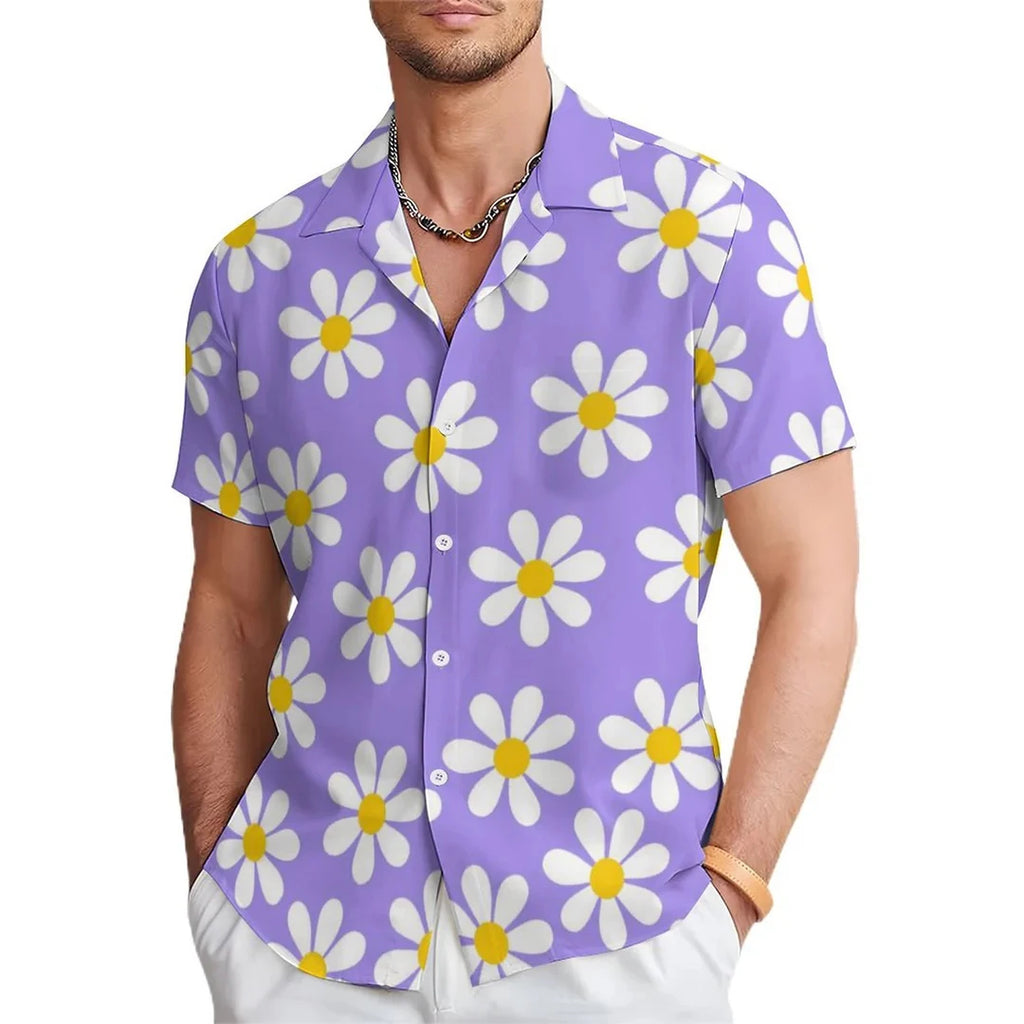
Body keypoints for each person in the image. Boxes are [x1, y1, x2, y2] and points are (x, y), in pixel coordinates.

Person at [171, 2, 859, 1020]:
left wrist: (730, 892)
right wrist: (217, 892)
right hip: (303, 939)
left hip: (619, 939)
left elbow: (813, 579)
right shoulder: (255, 274)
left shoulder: (710, 235)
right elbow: (230, 606)